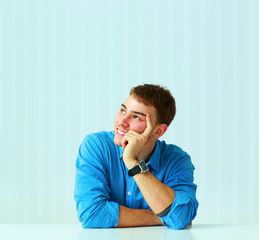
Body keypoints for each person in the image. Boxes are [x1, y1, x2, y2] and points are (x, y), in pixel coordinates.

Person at [74, 84, 199, 229]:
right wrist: (161, 217)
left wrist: (132, 162)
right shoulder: (96, 146)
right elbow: (92, 214)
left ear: (158, 131)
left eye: (136, 117)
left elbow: (181, 215)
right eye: (122, 110)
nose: (121, 121)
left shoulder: (177, 160)